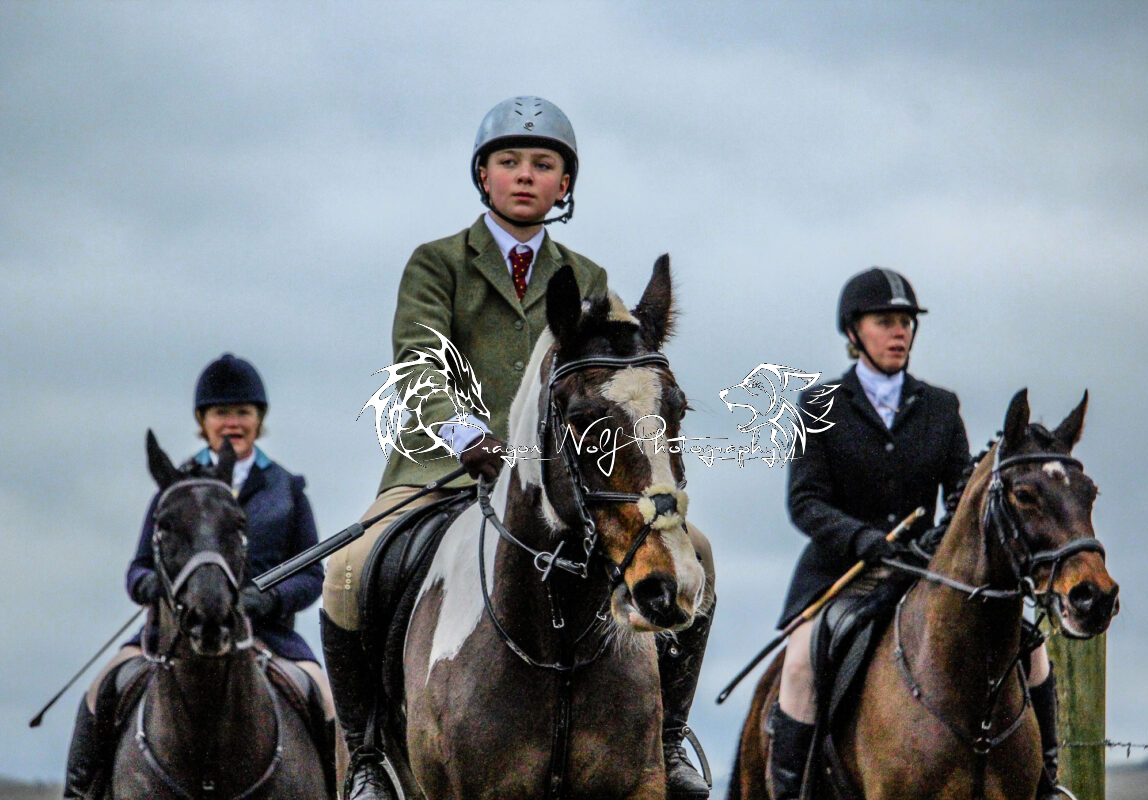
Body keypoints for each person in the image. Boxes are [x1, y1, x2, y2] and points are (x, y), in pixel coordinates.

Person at [320, 96, 716, 800]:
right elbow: (417, 365)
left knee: (699, 556)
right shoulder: (437, 264)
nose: (525, 175)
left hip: (563, 480)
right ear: (484, 175)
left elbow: (614, 386)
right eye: (509, 162)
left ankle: (668, 739)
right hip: (440, 470)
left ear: (565, 184)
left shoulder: (588, 278)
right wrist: (463, 433)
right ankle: (369, 757)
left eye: (542, 164)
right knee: (347, 571)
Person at [766, 267, 1061, 800]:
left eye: (905, 322)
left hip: (927, 571)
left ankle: (1047, 783)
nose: (899, 332)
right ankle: (791, 793)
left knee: (1031, 648)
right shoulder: (819, 405)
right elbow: (805, 502)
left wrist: (934, 543)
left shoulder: (941, 407)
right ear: (854, 331)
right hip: (845, 572)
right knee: (802, 660)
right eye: (885, 322)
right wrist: (861, 539)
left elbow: (964, 497)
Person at [62, 353, 334, 799]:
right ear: (202, 421)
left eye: (243, 412)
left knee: (323, 699)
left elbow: (310, 575)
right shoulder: (175, 489)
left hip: (268, 635)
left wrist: (267, 599)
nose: (232, 422)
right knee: (100, 690)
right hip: (172, 633)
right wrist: (154, 587)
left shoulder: (286, 489)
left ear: (259, 419)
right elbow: (138, 569)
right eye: (221, 412)